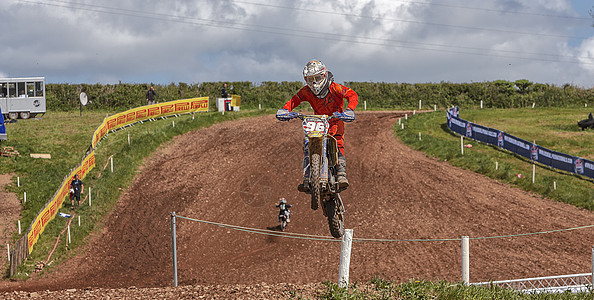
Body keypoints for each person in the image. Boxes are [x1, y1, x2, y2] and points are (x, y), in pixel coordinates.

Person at [276, 59, 358, 193]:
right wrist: (285, 110)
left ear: (324, 75)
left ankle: (341, 173)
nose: (314, 83)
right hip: (318, 121)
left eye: (317, 78)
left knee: (338, 142)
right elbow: (294, 100)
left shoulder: (334, 88)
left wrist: (349, 110)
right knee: (308, 142)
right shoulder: (307, 91)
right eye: (310, 79)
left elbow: (351, 94)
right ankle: (308, 177)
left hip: (336, 119)